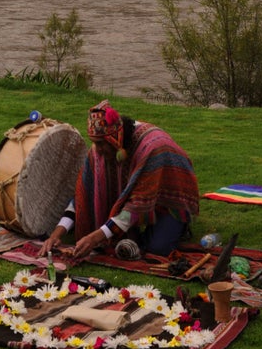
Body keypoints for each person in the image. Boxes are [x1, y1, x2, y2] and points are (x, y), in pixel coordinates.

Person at [39, 100, 200, 261]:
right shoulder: (99, 151)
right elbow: (83, 195)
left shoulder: (152, 150)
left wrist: (94, 237)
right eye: (95, 143)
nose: (98, 150)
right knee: (122, 236)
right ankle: (140, 231)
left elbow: (135, 208)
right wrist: (57, 233)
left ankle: (178, 224)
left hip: (170, 196)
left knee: (157, 249)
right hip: (139, 196)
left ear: (115, 139)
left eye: (101, 144)